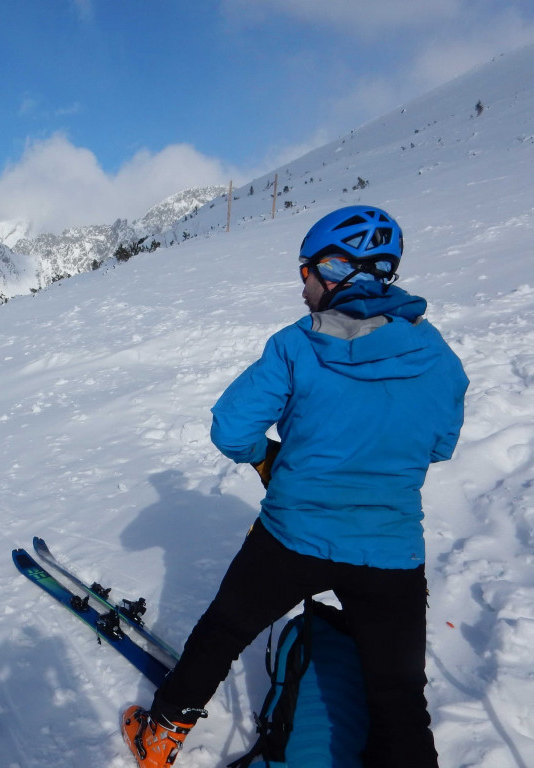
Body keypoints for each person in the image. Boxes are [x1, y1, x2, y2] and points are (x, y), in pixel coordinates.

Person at [122, 206, 468, 768]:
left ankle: (160, 737)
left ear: (332, 271)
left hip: (292, 535)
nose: (301, 286)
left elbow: (231, 429)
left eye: (304, 272)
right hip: (390, 548)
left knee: (224, 629)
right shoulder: (438, 358)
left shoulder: (296, 345)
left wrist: (269, 459)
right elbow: (439, 444)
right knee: (399, 697)